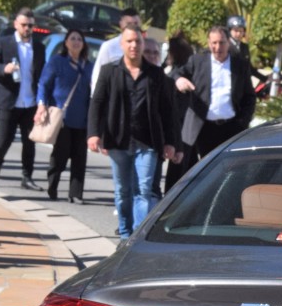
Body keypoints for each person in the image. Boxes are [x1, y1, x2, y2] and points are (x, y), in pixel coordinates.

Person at [88, 27, 177, 239]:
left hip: (148, 142)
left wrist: (171, 142)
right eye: (129, 41)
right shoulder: (110, 71)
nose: (133, 45)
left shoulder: (155, 74)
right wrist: (93, 133)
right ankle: (125, 234)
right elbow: (97, 103)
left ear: (143, 43)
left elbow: (167, 109)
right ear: (122, 44)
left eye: (137, 41)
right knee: (123, 192)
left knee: (143, 190)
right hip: (118, 140)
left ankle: (137, 236)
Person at [174, 24, 257, 162]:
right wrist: (179, 80)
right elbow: (176, 73)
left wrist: (243, 121)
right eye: (214, 43)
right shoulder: (197, 61)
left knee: (230, 166)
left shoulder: (240, 65)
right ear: (208, 43)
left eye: (222, 43)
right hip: (204, 127)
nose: (218, 48)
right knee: (206, 167)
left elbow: (249, 96)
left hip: (232, 127)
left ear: (228, 42)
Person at [0, 8, 46, 189]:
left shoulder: (38, 47)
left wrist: (42, 101)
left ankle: (27, 177)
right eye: (23, 25)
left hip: (29, 101)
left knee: (30, 141)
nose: (27, 28)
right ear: (16, 25)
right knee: (4, 139)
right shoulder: (4, 42)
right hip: (8, 100)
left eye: (30, 25)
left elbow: (41, 74)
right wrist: (3, 69)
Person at [36, 29, 93, 204]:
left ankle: (75, 193)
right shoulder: (57, 62)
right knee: (60, 155)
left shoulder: (89, 66)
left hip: (82, 118)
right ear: (66, 43)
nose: (76, 42)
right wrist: (42, 105)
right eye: (72, 39)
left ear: (83, 44)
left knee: (79, 157)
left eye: (79, 39)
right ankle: (52, 186)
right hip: (62, 118)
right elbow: (44, 85)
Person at [163, 32, 197, 191]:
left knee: (180, 166)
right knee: (185, 165)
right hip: (187, 123)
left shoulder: (180, 71)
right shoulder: (180, 71)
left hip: (183, 123)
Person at [91, 9, 140, 90]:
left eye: (136, 23)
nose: (133, 27)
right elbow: (97, 76)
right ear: (121, 24)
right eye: (129, 24)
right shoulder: (109, 46)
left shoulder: (146, 47)